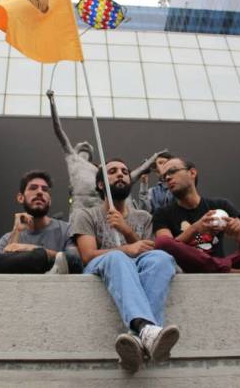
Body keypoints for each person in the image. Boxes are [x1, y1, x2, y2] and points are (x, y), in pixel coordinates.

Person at [71, 158, 179, 373]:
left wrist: (126, 231)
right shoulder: (86, 215)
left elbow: (149, 252)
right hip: (100, 268)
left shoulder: (144, 217)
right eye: (112, 171)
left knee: (163, 259)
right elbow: (87, 255)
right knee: (118, 258)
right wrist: (126, 250)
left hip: (135, 267)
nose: (120, 174)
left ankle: (138, 339)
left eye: (124, 171)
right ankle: (146, 328)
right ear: (101, 185)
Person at [153, 157, 240, 274]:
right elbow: (164, 246)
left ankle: (223, 269)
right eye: (164, 177)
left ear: (192, 173)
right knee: (161, 243)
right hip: (189, 265)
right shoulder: (162, 213)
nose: (168, 178)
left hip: (221, 262)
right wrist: (195, 228)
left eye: (172, 171)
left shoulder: (221, 204)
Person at [47, 90, 165, 212]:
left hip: (106, 215)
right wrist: (52, 102)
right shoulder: (72, 158)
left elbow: (128, 178)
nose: (86, 143)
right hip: (81, 212)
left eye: (88, 147)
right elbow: (58, 130)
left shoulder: (100, 170)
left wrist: (149, 162)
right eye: (82, 145)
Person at [0, 170, 82, 274]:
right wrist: (17, 230)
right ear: (20, 198)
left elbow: (74, 260)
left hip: (57, 288)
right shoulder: (6, 239)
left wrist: (30, 249)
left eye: (45, 189)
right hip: (21, 290)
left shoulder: (66, 229)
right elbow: (3, 269)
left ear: (49, 200)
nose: (40, 192)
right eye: (33, 188)